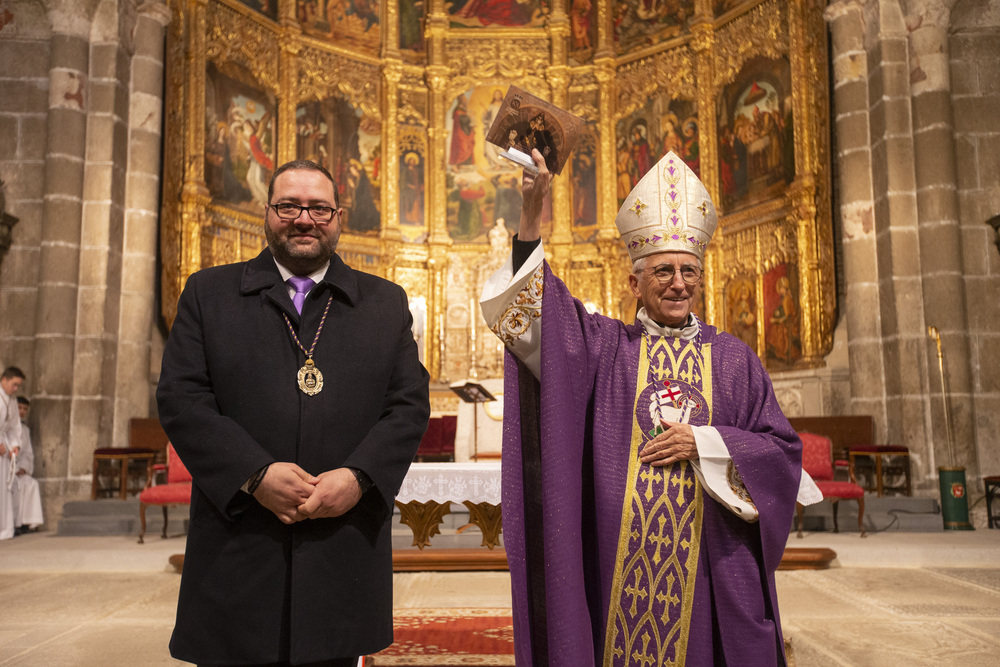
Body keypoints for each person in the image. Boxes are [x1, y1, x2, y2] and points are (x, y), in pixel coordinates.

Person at [480, 150, 814, 665]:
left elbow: (781, 453)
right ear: (633, 283)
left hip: (709, 568)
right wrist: (532, 211)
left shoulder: (733, 360)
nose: (678, 282)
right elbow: (526, 317)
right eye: (662, 271)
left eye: (688, 271)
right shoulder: (605, 347)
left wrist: (705, 441)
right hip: (617, 568)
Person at [157, 159, 431, 666]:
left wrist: (358, 476)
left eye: (319, 208)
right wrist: (254, 474)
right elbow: (181, 398)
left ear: (339, 217)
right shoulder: (209, 293)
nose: (304, 218)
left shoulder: (384, 303)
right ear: (267, 213)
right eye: (289, 205)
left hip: (340, 542)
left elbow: (409, 405)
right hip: (238, 543)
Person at [0, 366, 25, 541]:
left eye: (18, 386)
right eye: (14, 384)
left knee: (4, 490)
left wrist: (15, 445)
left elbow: (15, 426)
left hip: (5, 449)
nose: (16, 388)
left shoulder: (12, 400)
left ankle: (4, 528)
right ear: (4, 380)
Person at [14, 397, 43, 534]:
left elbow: (27, 453)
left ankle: (28, 522)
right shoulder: (6, 427)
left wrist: (23, 468)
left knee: (31, 483)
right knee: (15, 486)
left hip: (19, 469)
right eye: (19, 408)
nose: (22, 411)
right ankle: (15, 523)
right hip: (8, 470)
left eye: (25, 409)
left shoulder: (25, 430)